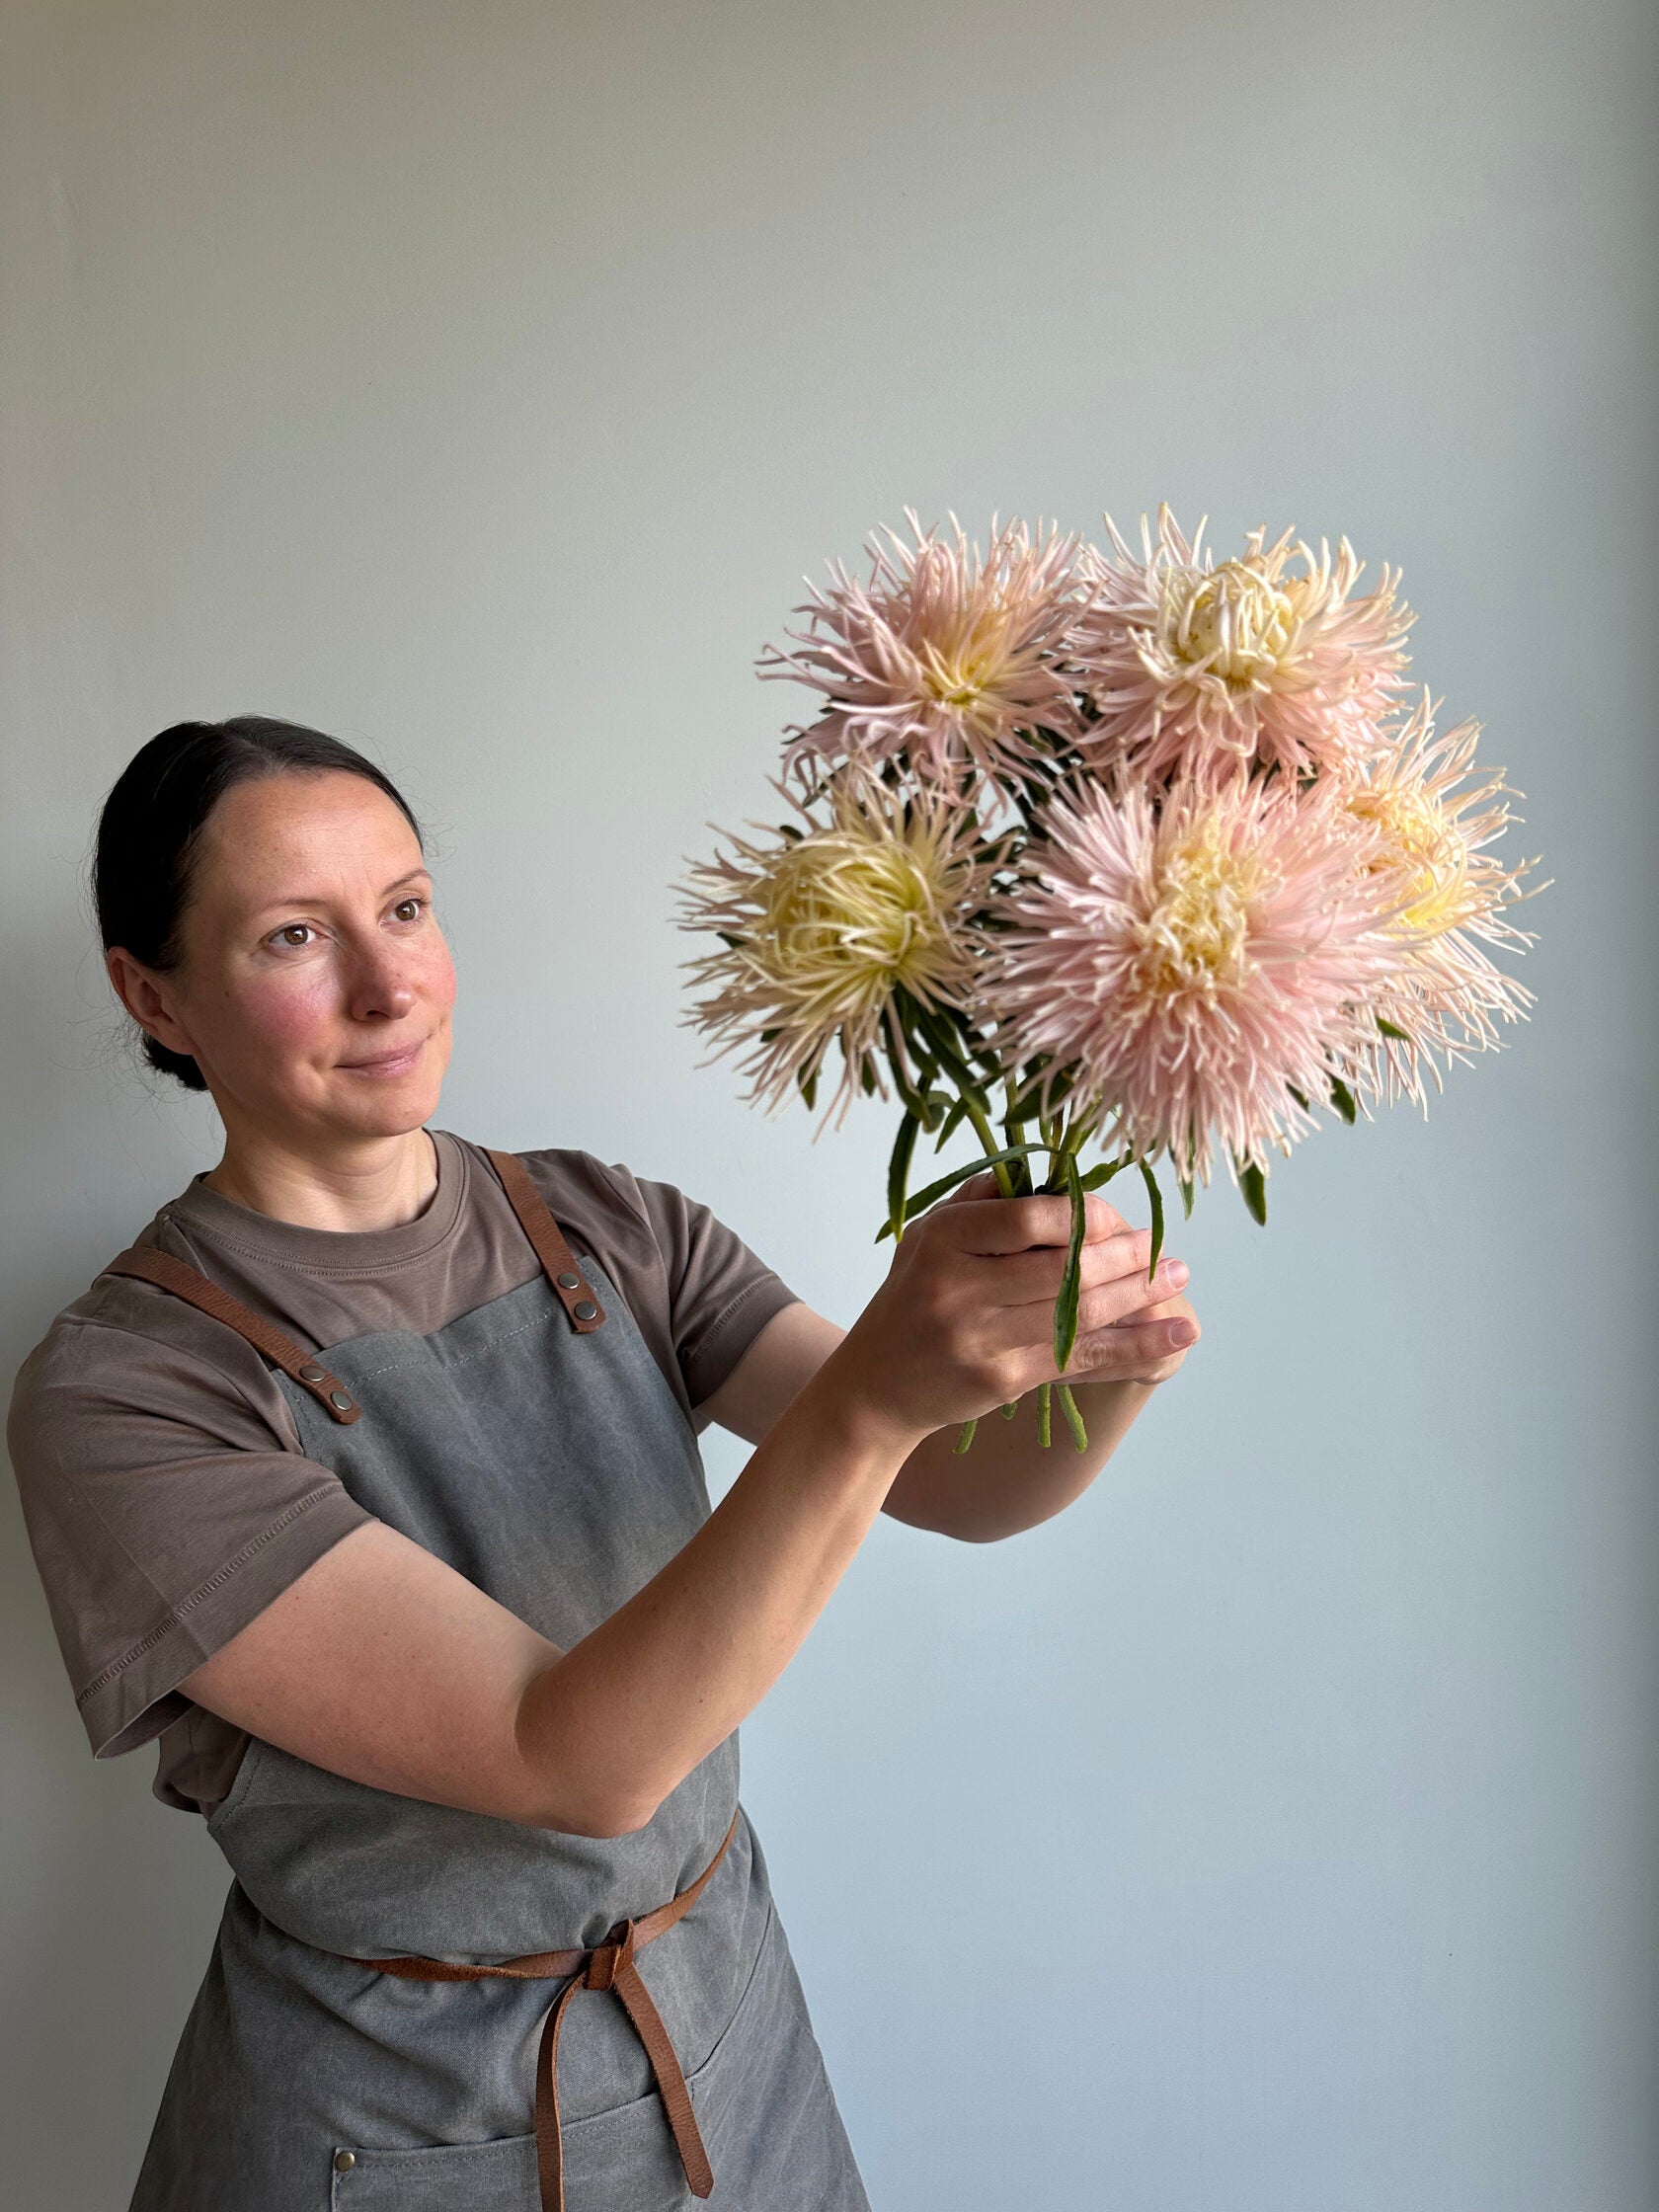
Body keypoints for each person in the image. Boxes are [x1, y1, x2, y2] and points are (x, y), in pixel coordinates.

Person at [8, 716, 1200, 2211]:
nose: (390, 985)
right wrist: (878, 1404)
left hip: (728, 2051)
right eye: (294, 936)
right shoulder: (125, 1395)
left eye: (407, 907)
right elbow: (572, 1758)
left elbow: (959, 1487)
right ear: (154, 995)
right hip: (389, 2129)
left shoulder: (605, 1226)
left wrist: (1108, 1348)